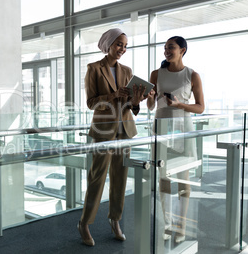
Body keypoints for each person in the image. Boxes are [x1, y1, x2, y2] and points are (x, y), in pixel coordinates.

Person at [78, 28, 149, 246]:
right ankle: (84, 223)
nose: (122, 49)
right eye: (119, 44)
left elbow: (130, 106)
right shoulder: (94, 69)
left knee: (120, 177)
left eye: (125, 46)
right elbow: (91, 103)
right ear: (108, 43)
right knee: (97, 177)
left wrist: (136, 102)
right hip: (103, 131)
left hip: (124, 130)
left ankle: (115, 220)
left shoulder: (127, 71)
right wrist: (112, 96)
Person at [147, 36, 204, 243]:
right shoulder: (156, 74)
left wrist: (181, 105)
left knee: (183, 181)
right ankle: (166, 223)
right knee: (163, 179)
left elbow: (200, 107)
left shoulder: (192, 75)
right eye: (165, 48)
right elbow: (151, 106)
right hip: (161, 129)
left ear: (183, 50)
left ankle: (181, 226)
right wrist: (151, 97)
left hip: (183, 131)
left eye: (171, 47)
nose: (166, 51)